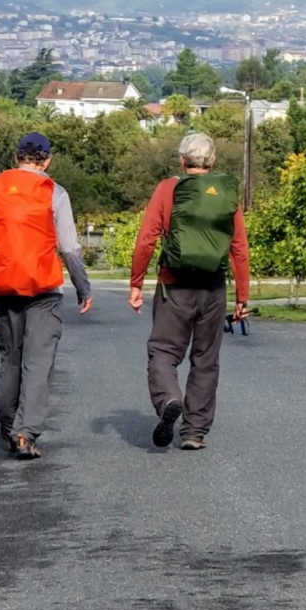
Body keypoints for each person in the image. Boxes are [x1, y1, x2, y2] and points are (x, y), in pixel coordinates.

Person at [0, 133, 93, 459]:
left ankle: (9, 424)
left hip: (4, 289)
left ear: (16, 158)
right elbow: (68, 247)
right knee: (38, 365)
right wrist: (83, 287)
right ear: (47, 160)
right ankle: (25, 433)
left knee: (10, 361)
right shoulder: (54, 192)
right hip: (44, 292)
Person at [129, 131, 249, 452]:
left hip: (174, 287)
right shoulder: (225, 194)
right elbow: (239, 248)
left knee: (164, 352)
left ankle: (169, 397)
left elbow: (146, 239)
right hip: (212, 289)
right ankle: (194, 431)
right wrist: (243, 298)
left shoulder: (169, 188)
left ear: (182, 160)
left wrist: (136, 283)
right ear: (212, 161)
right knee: (206, 359)